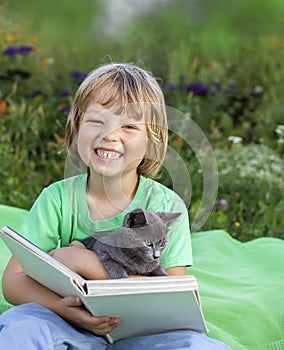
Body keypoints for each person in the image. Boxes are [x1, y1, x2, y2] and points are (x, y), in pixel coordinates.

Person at [0, 63, 231, 349]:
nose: (110, 135)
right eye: (96, 120)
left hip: (143, 332)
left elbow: (171, 297)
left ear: (152, 140)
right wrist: (62, 309)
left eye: (130, 127)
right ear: (76, 127)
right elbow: (13, 281)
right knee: (20, 327)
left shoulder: (165, 206)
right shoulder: (57, 198)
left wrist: (89, 264)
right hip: (69, 322)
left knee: (198, 346)